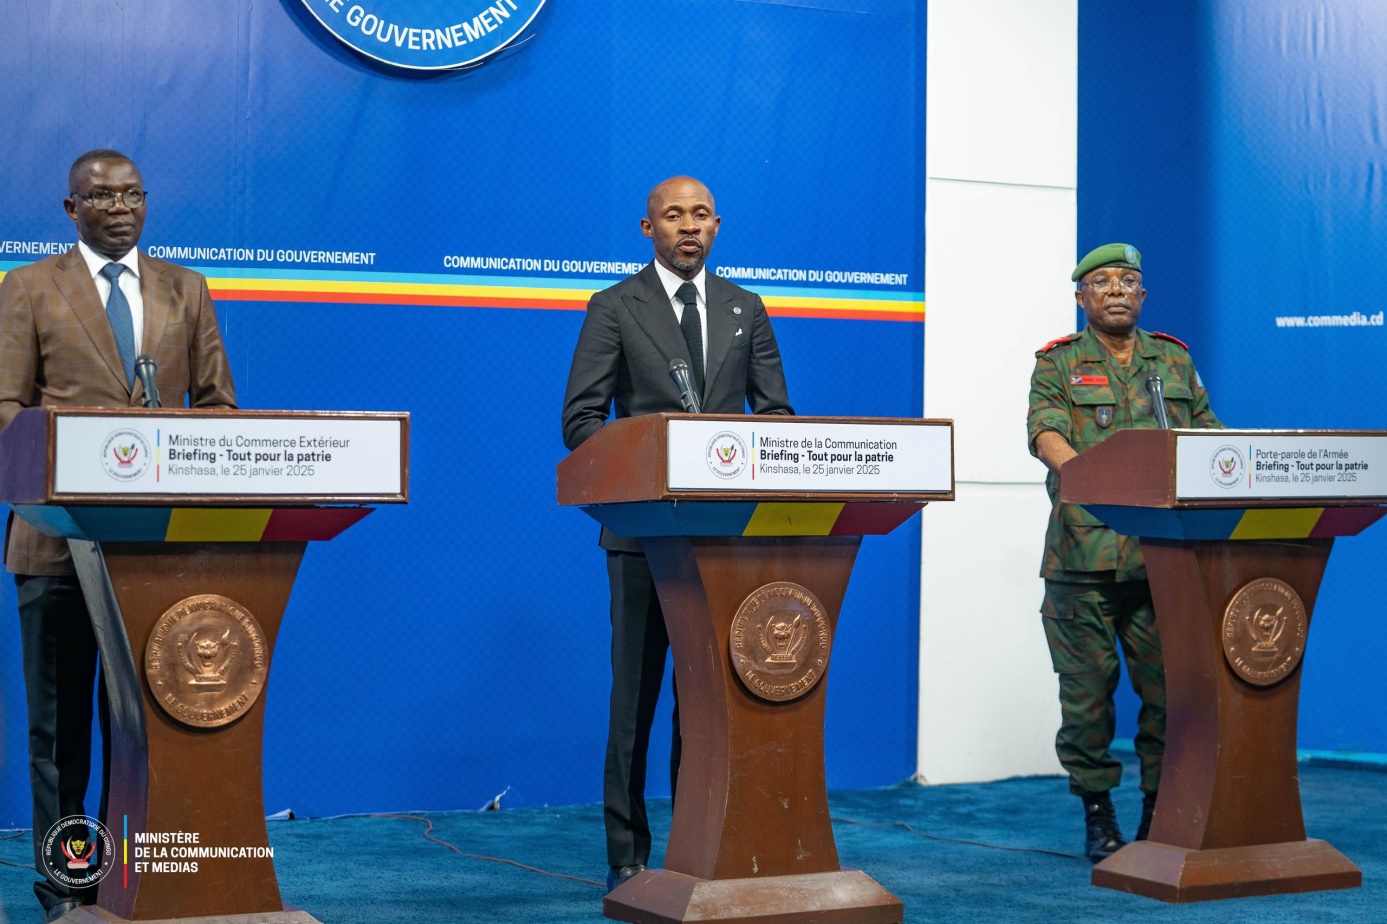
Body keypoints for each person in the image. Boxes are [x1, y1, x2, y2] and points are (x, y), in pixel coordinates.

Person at [0, 149, 237, 921]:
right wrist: (73, 466)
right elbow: (6, 413)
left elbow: (219, 411)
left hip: (156, 552)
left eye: (133, 193)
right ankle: (66, 887)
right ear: (71, 208)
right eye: (101, 196)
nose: (121, 206)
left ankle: (130, 878)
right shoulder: (30, 287)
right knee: (61, 733)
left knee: (147, 734)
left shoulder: (186, 289)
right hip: (56, 544)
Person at [561, 176, 793, 890]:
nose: (687, 226)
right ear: (647, 228)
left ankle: (698, 840)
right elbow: (579, 423)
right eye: (672, 216)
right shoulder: (613, 307)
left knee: (705, 703)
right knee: (634, 701)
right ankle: (626, 853)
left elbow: (777, 418)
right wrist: (643, 462)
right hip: (640, 540)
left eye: (699, 215)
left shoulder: (743, 309)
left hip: (722, 542)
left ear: (716, 226)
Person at [1026, 243, 1222, 863]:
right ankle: (1096, 810)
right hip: (1082, 562)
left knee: (1168, 694)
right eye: (1102, 281)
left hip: (1162, 559)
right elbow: (1044, 431)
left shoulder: (1174, 359)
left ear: (1143, 295)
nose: (1116, 290)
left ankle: (1157, 811)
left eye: (1128, 281)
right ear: (1081, 296)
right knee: (1086, 700)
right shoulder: (1058, 363)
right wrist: (1086, 477)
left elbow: (1211, 435)